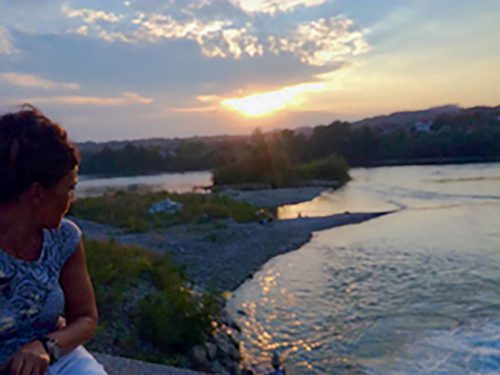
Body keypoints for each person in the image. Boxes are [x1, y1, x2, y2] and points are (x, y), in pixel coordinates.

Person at [0, 105, 106, 374]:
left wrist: (46, 347)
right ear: (37, 193)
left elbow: (86, 318)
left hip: (57, 359)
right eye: (69, 189)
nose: (72, 200)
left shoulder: (63, 239)